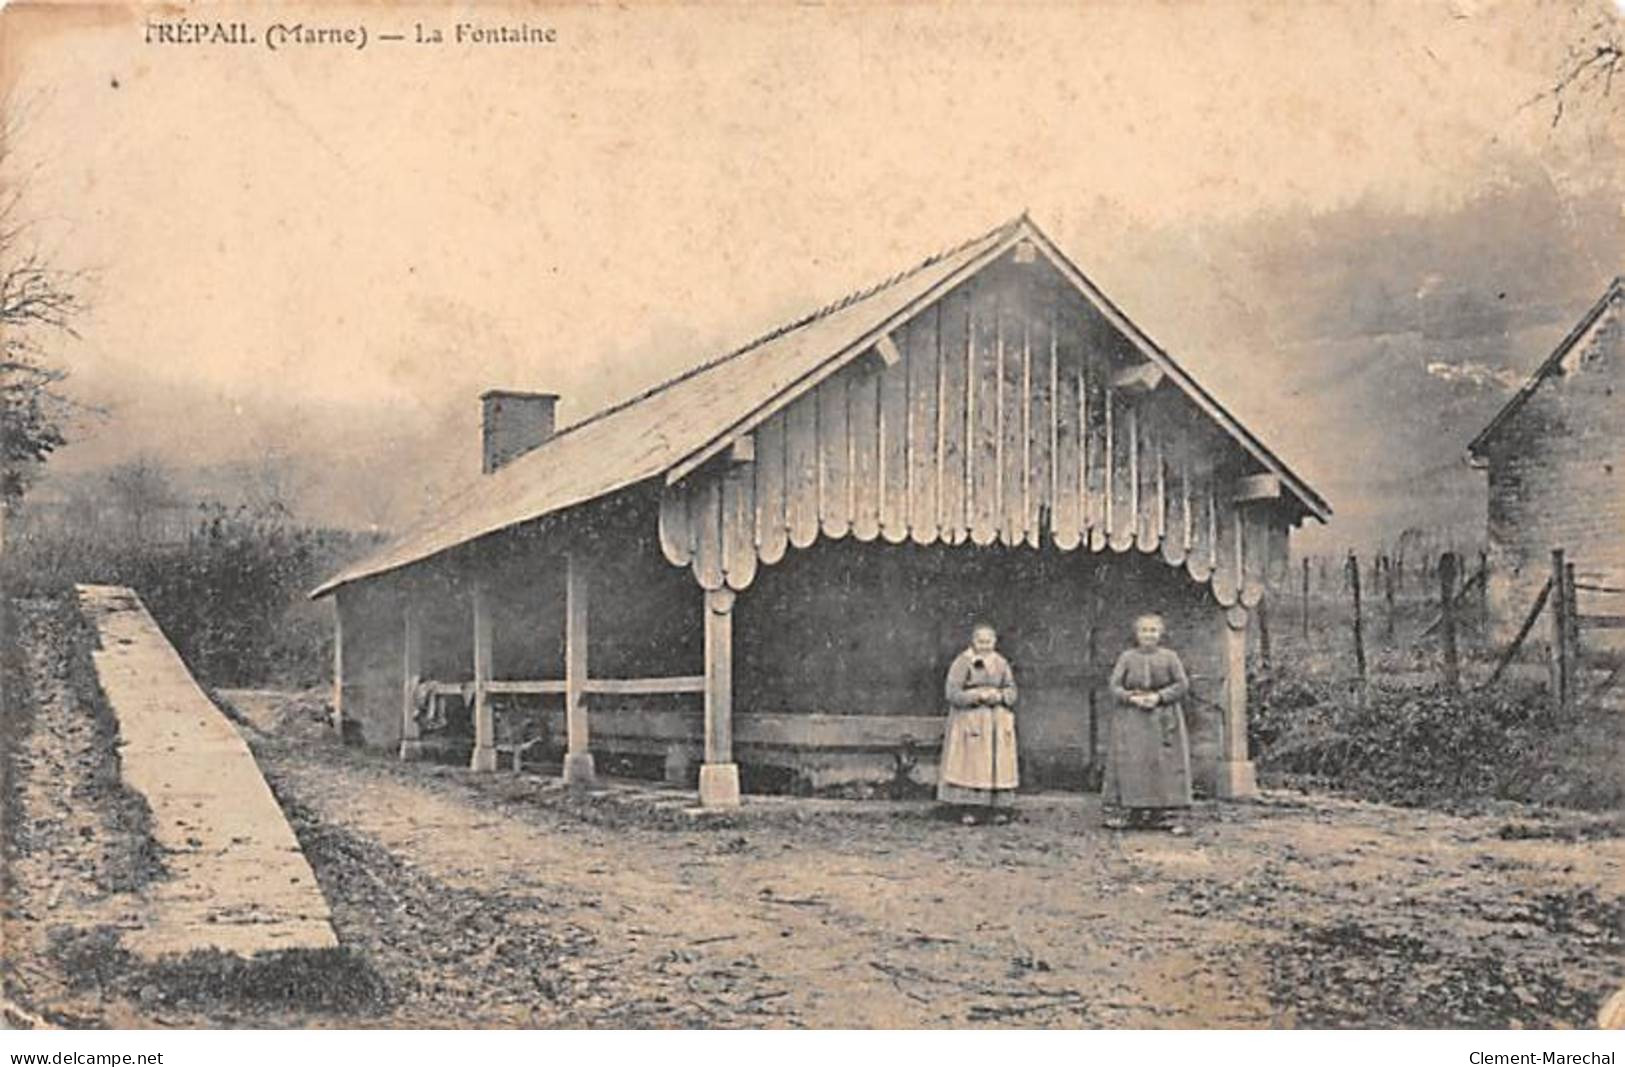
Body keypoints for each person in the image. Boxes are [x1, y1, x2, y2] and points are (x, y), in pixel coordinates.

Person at [1104, 613, 1192, 833]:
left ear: (1160, 633)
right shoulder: (1127, 657)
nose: (1148, 635)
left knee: (1163, 764)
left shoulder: (1170, 657)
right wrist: (1131, 697)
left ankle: (1165, 814)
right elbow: (1114, 686)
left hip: (1163, 717)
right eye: (1144, 631)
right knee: (1133, 763)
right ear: (1137, 634)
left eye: (1153, 630)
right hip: (1132, 719)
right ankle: (1132, 811)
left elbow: (1182, 684)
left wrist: (1159, 697)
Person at [939, 623, 1019, 824]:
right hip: (971, 721)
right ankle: (970, 808)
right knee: (973, 765)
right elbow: (952, 693)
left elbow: (1012, 690)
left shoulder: (1001, 663)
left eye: (989, 641)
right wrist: (976, 695)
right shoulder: (963, 662)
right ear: (973, 641)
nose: (984, 645)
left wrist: (1000, 696)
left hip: (996, 724)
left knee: (997, 763)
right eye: (980, 641)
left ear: (995, 641)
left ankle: (998, 807)